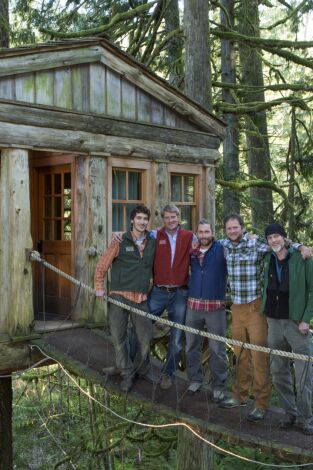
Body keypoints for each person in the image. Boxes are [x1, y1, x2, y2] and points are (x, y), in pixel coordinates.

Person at [218, 214, 311, 422]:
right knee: (240, 353)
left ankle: (260, 403)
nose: (233, 231)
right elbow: (204, 242)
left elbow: (280, 243)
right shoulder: (224, 245)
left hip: (256, 307)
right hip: (238, 308)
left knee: (259, 355)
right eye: (229, 228)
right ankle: (240, 395)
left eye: (236, 227)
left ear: (242, 228)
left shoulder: (257, 243)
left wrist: (300, 246)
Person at [94, 205, 156, 393]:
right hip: (119, 296)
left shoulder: (152, 241)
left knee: (145, 337)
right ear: (132, 220)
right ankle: (126, 373)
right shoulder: (119, 241)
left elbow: (173, 231)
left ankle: (141, 368)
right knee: (118, 337)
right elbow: (102, 266)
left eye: (145, 219)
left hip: (141, 297)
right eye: (139, 218)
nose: (142, 222)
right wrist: (99, 288)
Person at [261, 223, 313, 435]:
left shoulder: (302, 258)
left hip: (296, 323)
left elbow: (312, 290)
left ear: (284, 238)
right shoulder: (267, 259)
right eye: (270, 237)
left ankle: (306, 418)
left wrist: (306, 319)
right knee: (278, 371)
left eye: (277, 236)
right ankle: (289, 413)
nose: (274, 240)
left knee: (303, 374)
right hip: (273, 322)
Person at [148, 204, 195, 389]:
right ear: (163, 219)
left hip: (180, 293)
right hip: (158, 291)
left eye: (173, 217)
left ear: (179, 217)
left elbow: (209, 243)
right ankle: (130, 365)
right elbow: (135, 240)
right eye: (167, 218)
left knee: (176, 339)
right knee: (141, 325)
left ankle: (167, 374)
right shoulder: (154, 235)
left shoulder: (190, 236)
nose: (170, 221)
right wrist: (118, 236)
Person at [185, 220, 228, 402]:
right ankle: (195, 379)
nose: (204, 235)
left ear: (212, 232)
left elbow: (242, 242)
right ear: (197, 233)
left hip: (215, 307)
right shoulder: (192, 251)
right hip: (193, 306)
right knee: (191, 346)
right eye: (200, 232)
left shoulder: (221, 248)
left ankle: (219, 385)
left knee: (217, 348)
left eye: (207, 231)